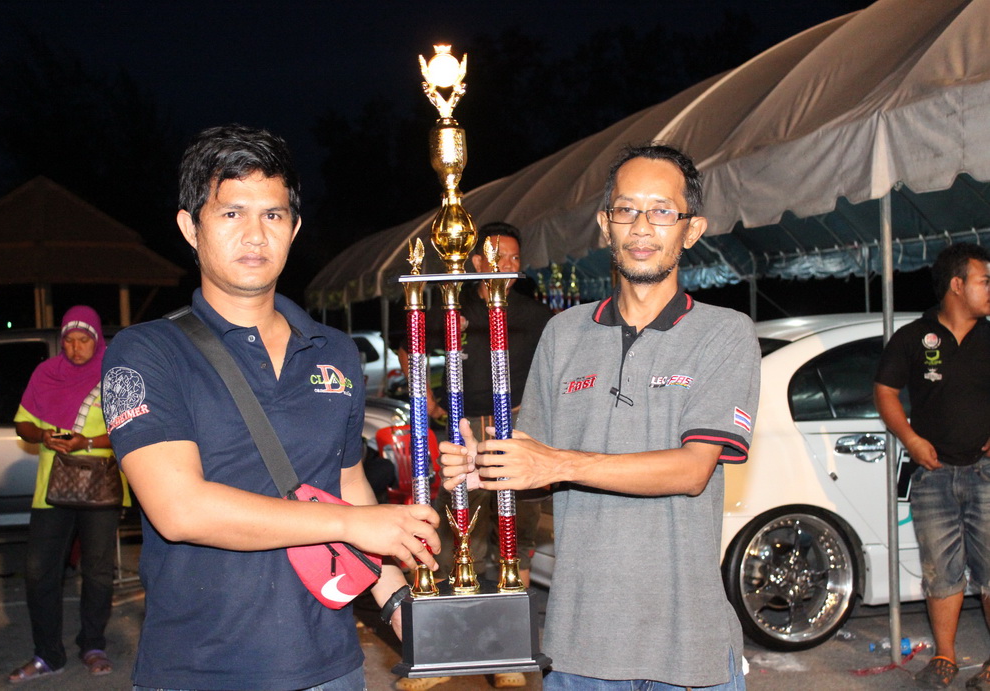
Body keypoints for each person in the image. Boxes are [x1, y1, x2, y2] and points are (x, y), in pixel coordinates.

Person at [102, 124, 439, 691]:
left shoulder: (334, 351)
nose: (255, 235)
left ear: (294, 228)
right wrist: (352, 522)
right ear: (190, 227)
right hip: (200, 669)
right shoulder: (146, 352)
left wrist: (401, 606)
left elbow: (346, 483)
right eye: (232, 213)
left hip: (332, 666)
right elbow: (180, 509)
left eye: (273, 215)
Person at [440, 143, 760, 689]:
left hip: (688, 648)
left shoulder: (724, 332)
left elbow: (692, 471)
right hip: (579, 649)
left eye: (662, 210)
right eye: (626, 209)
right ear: (604, 225)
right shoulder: (563, 335)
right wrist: (489, 467)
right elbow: (536, 468)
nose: (642, 226)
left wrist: (555, 463)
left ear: (692, 230)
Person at [393, 222, 551, 691]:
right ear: (477, 260)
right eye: (498, 256)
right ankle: (443, 654)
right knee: (458, 541)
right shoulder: (454, 307)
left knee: (515, 543)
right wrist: (431, 402)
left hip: (516, 432)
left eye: (515, 258)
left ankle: (507, 656)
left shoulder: (535, 315)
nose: (507, 265)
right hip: (463, 434)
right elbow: (408, 344)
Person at [874, 243, 990, 690]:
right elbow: (885, 391)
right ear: (957, 285)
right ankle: (945, 658)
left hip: (985, 472)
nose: (989, 289)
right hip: (932, 474)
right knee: (940, 571)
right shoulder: (914, 337)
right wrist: (911, 439)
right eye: (984, 280)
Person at [7, 305, 127, 683]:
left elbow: (128, 430)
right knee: (39, 570)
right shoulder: (46, 373)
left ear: (97, 340)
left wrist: (86, 441)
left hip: (100, 486)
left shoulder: (113, 375)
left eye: (84, 340)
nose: (76, 348)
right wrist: (42, 435)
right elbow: (23, 423)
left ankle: (93, 645)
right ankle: (47, 654)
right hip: (52, 488)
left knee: (98, 571)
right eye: (70, 340)